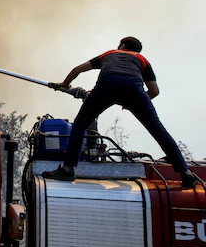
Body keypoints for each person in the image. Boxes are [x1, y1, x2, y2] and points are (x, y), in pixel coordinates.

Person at [43, 36, 196, 188]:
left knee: (80, 126)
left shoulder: (109, 54)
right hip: (134, 90)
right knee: (158, 130)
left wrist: (64, 84)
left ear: (122, 45)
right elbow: (154, 91)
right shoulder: (142, 60)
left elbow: (78, 69)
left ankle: (68, 169)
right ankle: (186, 174)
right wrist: (132, 103)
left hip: (106, 87)